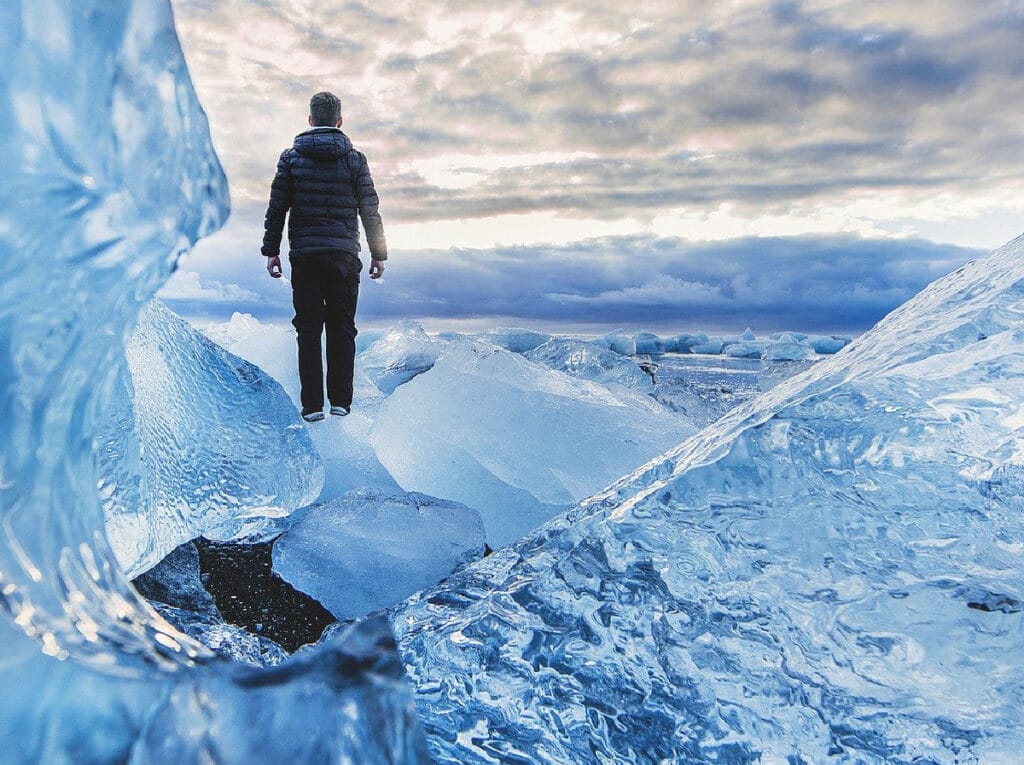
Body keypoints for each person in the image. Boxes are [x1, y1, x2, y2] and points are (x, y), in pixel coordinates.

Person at [261, 91, 387, 422]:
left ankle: (312, 406)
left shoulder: (290, 158)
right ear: (339, 121)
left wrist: (271, 250)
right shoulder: (355, 160)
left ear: (310, 120)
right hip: (345, 256)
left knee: (308, 328)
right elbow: (369, 210)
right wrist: (379, 253)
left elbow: (277, 209)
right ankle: (341, 402)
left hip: (305, 255)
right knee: (342, 327)